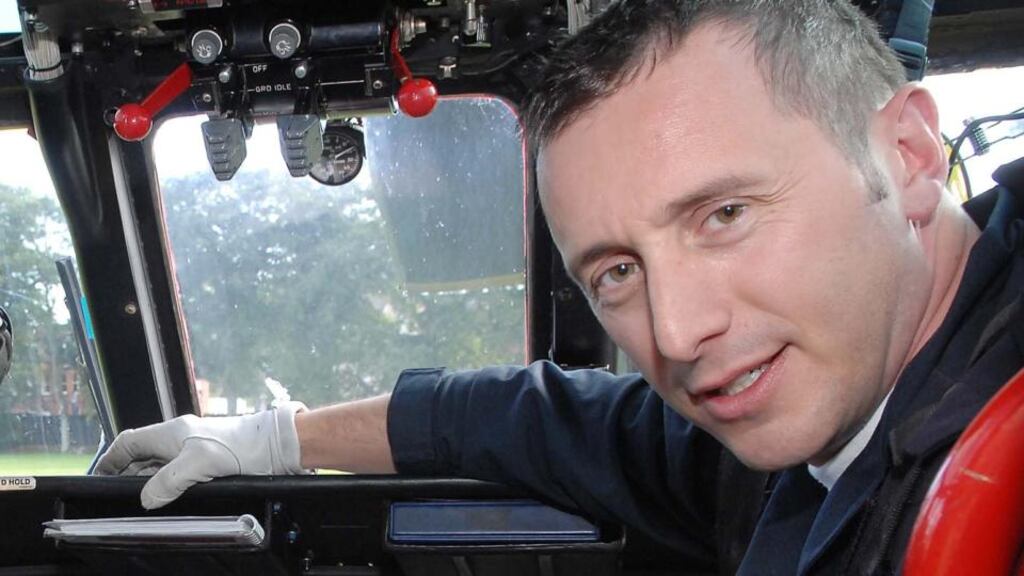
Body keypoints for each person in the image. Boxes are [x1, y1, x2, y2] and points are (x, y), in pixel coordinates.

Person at [95, 0, 1024, 573]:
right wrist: (273, 438)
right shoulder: (786, 421)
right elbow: (535, 419)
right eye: (617, 272)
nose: (678, 329)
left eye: (724, 216)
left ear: (905, 157)